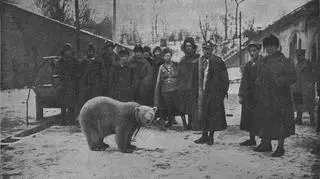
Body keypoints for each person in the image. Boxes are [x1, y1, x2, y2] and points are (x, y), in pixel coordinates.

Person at [254, 34, 296, 157]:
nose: (269, 49)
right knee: (265, 119)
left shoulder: (285, 61)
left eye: (272, 46)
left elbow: (293, 77)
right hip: (266, 96)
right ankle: (265, 144)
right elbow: (260, 76)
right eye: (267, 46)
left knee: (280, 122)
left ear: (277, 46)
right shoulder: (264, 61)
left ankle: (280, 147)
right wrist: (259, 81)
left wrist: (279, 80)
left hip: (280, 97)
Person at [193, 41, 229, 145]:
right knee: (203, 114)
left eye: (208, 49)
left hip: (214, 93)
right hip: (202, 92)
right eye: (204, 49)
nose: (206, 51)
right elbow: (195, 78)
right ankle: (204, 135)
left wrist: (223, 92)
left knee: (213, 114)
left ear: (212, 49)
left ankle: (211, 136)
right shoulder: (200, 61)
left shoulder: (218, 61)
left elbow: (225, 78)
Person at [238, 42, 262, 146]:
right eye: (250, 51)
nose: (252, 53)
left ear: (259, 51)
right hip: (249, 95)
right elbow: (243, 81)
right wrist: (241, 95)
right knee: (249, 117)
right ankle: (251, 139)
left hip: (260, 95)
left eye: (254, 51)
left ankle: (264, 141)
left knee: (260, 117)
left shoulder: (263, 63)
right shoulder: (248, 65)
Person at [177, 37, 201, 130]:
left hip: (195, 86)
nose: (188, 48)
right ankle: (186, 124)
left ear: (193, 47)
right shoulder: (182, 60)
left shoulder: (198, 58)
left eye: (190, 46)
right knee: (186, 106)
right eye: (186, 46)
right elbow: (179, 74)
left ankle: (194, 124)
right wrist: (180, 86)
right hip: (184, 87)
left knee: (194, 106)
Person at [154, 48, 180, 128]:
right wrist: (158, 89)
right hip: (165, 89)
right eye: (165, 56)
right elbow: (158, 79)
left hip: (174, 87)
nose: (167, 57)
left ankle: (173, 119)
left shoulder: (175, 65)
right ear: (163, 57)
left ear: (171, 56)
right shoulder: (161, 67)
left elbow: (179, 76)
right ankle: (169, 121)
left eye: (168, 56)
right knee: (168, 105)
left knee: (175, 104)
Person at [57, 43, 80, 125]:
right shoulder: (60, 62)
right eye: (66, 51)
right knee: (63, 104)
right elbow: (58, 72)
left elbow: (78, 73)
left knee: (72, 104)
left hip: (72, 84)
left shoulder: (75, 61)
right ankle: (63, 120)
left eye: (69, 51)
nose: (67, 53)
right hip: (64, 84)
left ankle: (72, 120)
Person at [293, 49, 316, 125]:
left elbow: (313, 75)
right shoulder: (297, 64)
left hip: (306, 88)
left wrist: (310, 84)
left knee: (309, 103)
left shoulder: (307, 63)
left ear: (303, 55)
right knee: (298, 103)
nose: (298, 57)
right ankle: (299, 119)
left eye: (299, 55)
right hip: (297, 87)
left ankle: (312, 120)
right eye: (297, 56)